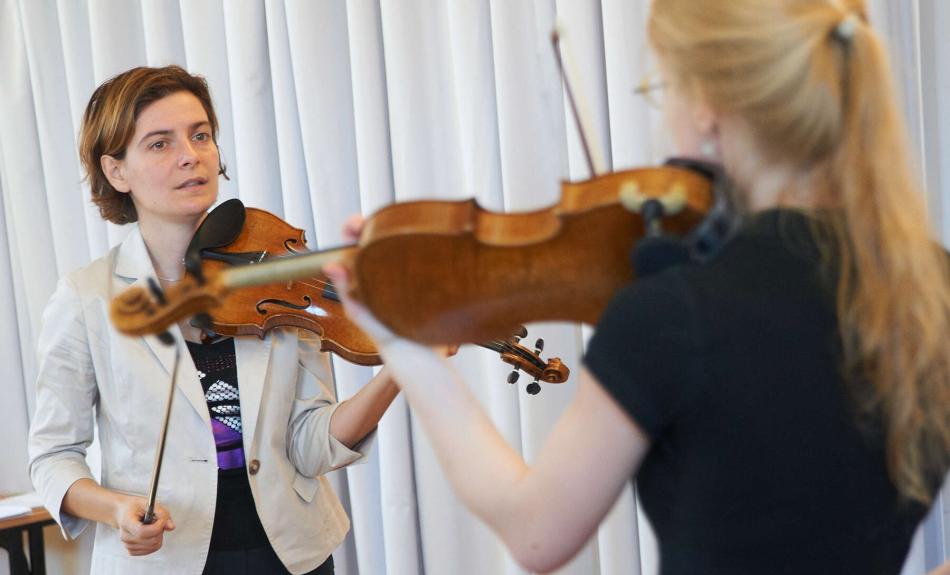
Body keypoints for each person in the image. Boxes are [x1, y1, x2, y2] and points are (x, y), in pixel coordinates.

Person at [324, 1, 950, 573]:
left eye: (664, 87)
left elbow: (535, 532)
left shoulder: (673, 313)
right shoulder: (930, 283)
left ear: (705, 107)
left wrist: (404, 346)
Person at [28, 65, 403, 574]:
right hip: (165, 560)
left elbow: (311, 444)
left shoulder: (278, 273)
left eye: (200, 135)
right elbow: (53, 456)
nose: (191, 155)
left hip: (293, 554)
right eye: (160, 144)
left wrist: (397, 372)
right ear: (117, 171)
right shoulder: (85, 298)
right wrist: (115, 508)